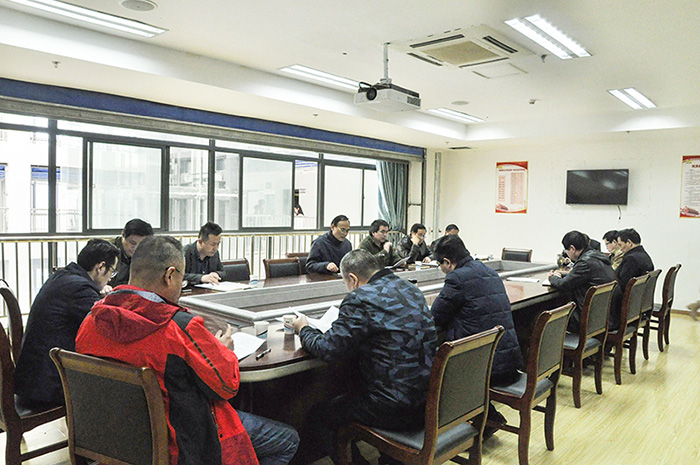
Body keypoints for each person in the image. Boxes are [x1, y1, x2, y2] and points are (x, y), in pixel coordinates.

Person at [76, 236, 299, 465]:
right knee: (287, 440)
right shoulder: (178, 328)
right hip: (178, 444)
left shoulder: (90, 321)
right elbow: (227, 386)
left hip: (114, 438)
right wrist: (223, 351)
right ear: (170, 275)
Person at [292, 250, 436, 464]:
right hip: (427, 400)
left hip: (393, 407)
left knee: (319, 416)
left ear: (353, 279)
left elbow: (328, 349)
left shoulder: (360, 298)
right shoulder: (410, 288)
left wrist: (303, 328)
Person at [430, 235, 523, 434]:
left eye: (440, 265)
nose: (441, 269)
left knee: (436, 364)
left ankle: (470, 423)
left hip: (486, 367)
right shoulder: (489, 272)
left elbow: (435, 317)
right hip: (508, 359)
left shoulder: (456, 278)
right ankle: (487, 418)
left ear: (447, 262)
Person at [14, 239, 119, 409]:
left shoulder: (63, 276)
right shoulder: (81, 290)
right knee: (114, 388)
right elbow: (107, 327)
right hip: (46, 388)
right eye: (112, 271)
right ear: (101, 267)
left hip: (31, 378)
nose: (110, 278)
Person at [548, 230, 619, 332]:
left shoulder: (585, 262)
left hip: (589, 321)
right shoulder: (597, 256)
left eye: (566, 250)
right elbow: (582, 276)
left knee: (542, 314)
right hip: (608, 317)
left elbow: (564, 284)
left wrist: (552, 277)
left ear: (572, 248)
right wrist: (563, 275)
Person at [109, 218, 154, 286]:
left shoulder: (150, 253)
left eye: (141, 244)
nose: (135, 248)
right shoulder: (107, 250)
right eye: (132, 243)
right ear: (123, 235)